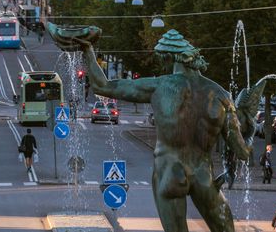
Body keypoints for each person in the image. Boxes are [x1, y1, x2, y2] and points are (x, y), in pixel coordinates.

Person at [51, 27, 263, 232]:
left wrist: (88, 50)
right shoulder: (220, 95)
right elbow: (242, 152)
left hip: (170, 172)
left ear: (169, 58)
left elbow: (102, 86)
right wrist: (248, 124)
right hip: (204, 178)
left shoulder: (159, 86)